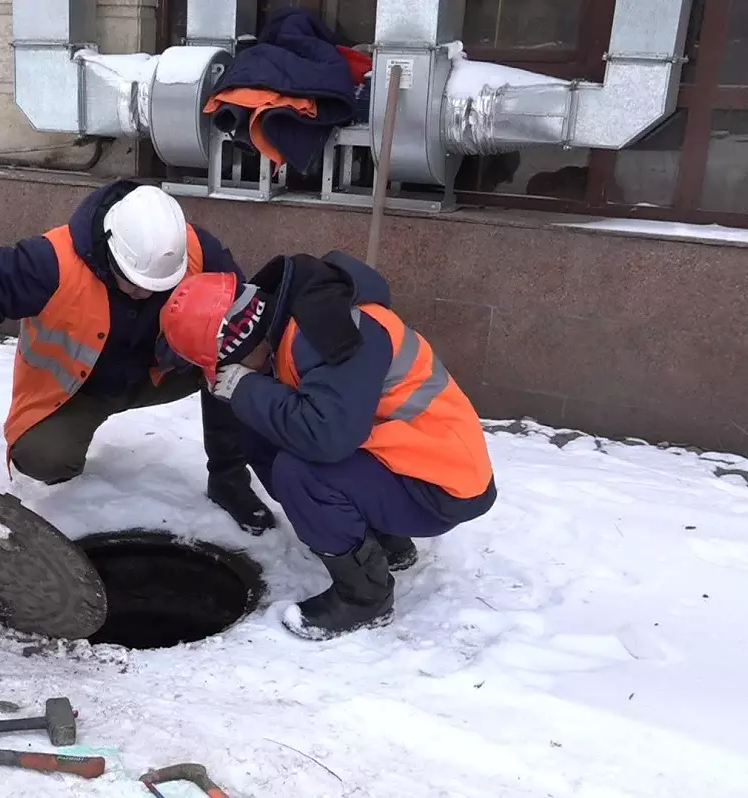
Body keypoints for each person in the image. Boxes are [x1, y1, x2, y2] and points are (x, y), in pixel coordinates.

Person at [159, 250, 498, 639]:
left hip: (442, 484)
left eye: (222, 366)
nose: (221, 377)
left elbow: (328, 438)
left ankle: (364, 598)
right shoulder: (288, 324)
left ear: (238, 342)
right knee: (262, 429)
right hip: (408, 462)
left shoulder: (331, 331)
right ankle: (384, 544)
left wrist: (247, 388)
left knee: (300, 472)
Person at [0, 180, 276, 533]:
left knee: (233, 356)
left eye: (158, 287)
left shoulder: (195, 252)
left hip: (163, 374)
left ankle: (228, 478)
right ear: (109, 250)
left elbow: (243, 321)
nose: (145, 293)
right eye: (134, 282)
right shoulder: (48, 262)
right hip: (78, 390)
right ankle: (66, 451)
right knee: (41, 458)